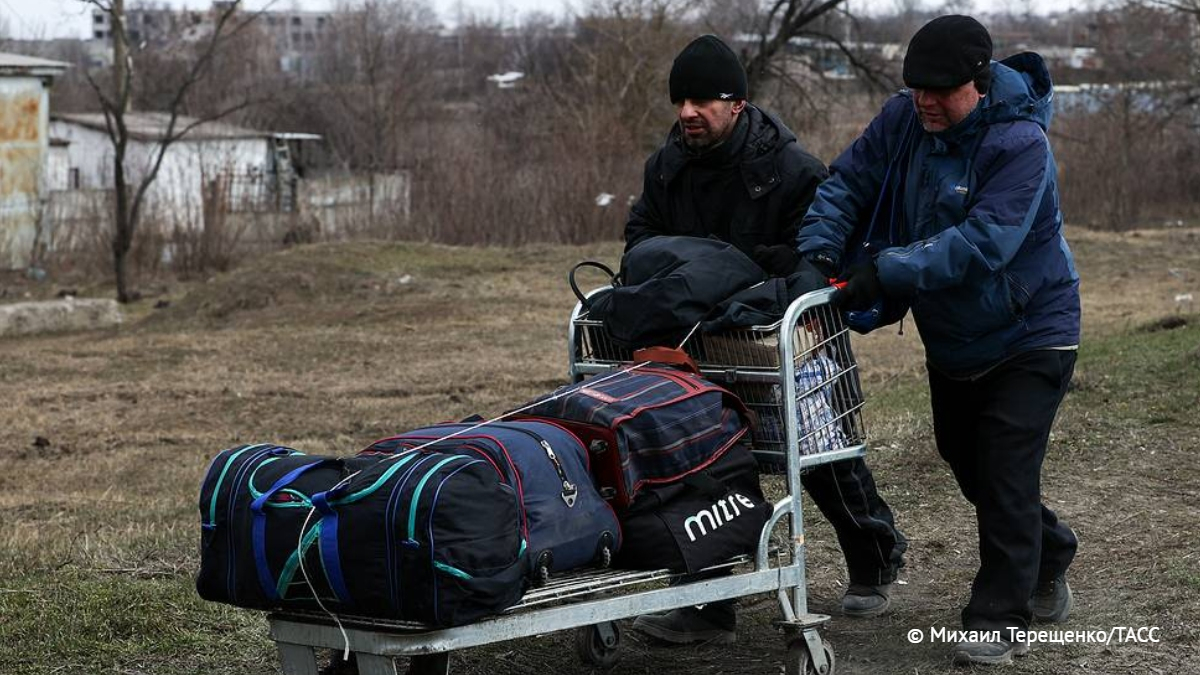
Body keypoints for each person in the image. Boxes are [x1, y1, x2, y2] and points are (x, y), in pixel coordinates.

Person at [795, 15, 1080, 666]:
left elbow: (985, 241)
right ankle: (1051, 550)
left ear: (977, 83)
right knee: (967, 461)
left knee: (1006, 469)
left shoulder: (1020, 142)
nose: (924, 100)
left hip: (1034, 327)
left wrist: (885, 271)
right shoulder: (905, 120)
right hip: (954, 337)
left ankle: (996, 619)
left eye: (939, 90)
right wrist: (816, 253)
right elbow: (847, 182)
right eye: (915, 87)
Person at [626, 34, 908, 646]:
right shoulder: (666, 169)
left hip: (784, 339)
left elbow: (817, 260)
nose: (687, 113)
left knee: (819, 459)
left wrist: (754, 282)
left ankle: (875, 555)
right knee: (699, 467)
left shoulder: (791, 170)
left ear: (738, 103)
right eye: (681, 101)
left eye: (703, 100)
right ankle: (710, 601)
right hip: (697, 346)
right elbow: (640, 242)